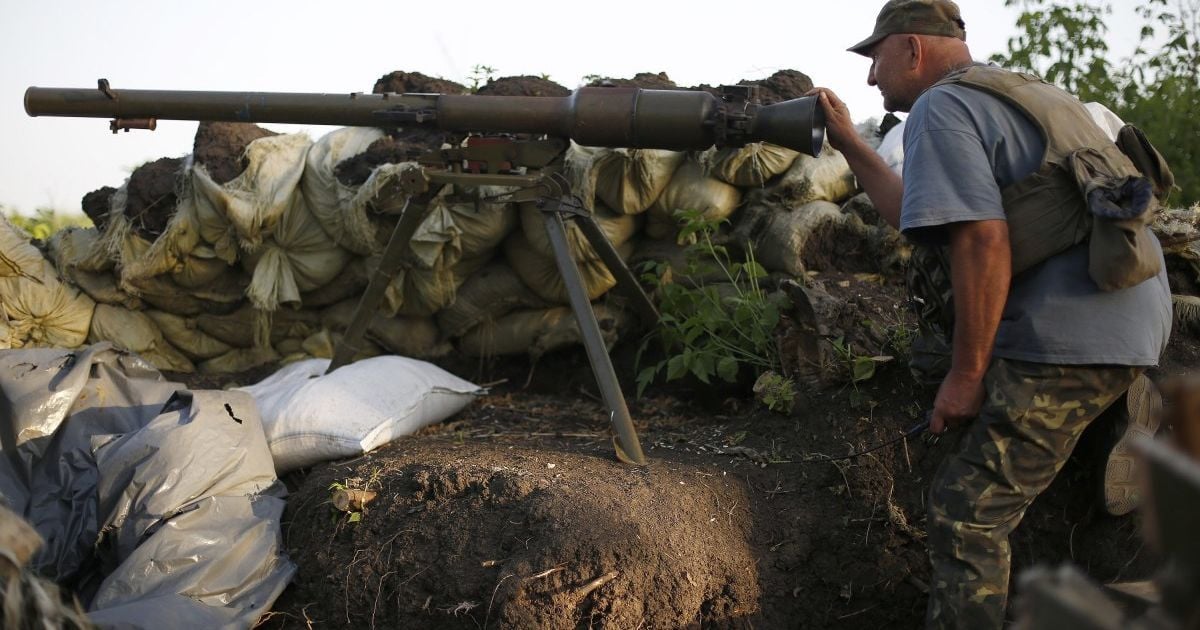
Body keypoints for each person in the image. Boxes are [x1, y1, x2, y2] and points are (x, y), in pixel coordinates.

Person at [806, 0, 1173, 627]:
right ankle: (1121, 410)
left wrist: (967, 377)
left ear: (913, 49)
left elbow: (980, 240)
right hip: (1133, 314)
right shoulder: (1016, 90)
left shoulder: (940, 108)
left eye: (876, 58)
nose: (871, 78)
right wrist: (847, 142)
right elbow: (918, 214)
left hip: (1070, 334)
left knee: (965, 509)